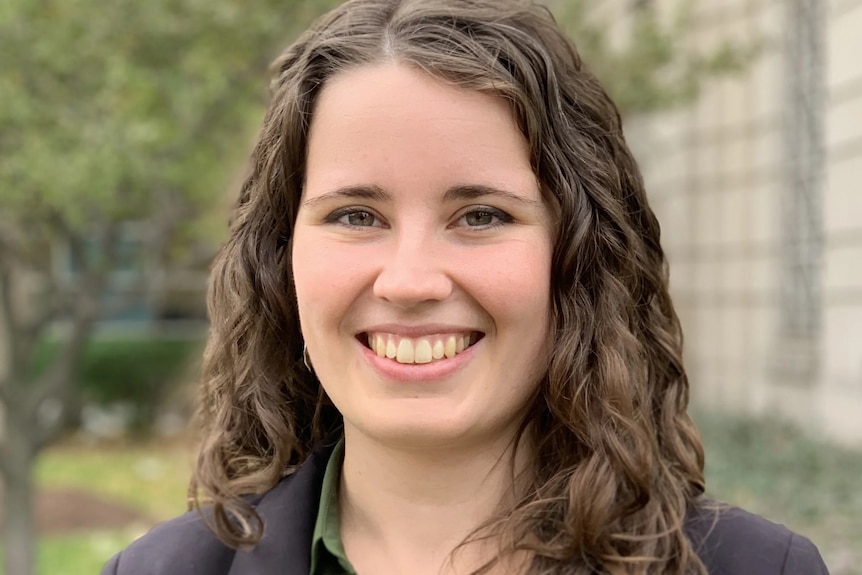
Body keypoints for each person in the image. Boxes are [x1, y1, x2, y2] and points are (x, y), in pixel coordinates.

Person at [102, 0, 829, 573]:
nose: (411, 280)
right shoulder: (156, 571)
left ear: (578, 256)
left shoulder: (759, 568)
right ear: (280, 261)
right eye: (356, 214)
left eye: (481, 214)